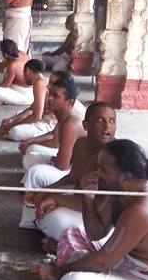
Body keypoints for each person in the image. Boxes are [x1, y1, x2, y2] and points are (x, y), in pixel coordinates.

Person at [34, 139, 148, 280]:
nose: (97, 174)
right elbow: (95, 233)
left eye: (103, 170)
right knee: (74, 242)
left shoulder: (142, 210)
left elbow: (102, 262)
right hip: (124, 265)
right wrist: (88, 198)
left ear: (125, 178)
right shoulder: (121, 190)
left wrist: (54, 272)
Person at [30, 101, 117, 244]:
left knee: (56, 219)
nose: (107, 126)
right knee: (40, 201)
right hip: (80, 201)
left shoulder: (115, 157)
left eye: (112, 121)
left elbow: (98, 203)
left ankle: (65, 244)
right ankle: (60, 241)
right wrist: (45, 191)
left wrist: (56, 199)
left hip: (99, 219)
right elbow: (72, 178)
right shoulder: (81, 144)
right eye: (100, 120)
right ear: (86, 125)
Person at [20, 73, 85, 193]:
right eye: (50, 94)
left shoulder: (71, 123)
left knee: (34, 173)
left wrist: (55, 161)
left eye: (56, 96)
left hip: (77, 175)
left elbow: (62, 166)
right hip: (68, 165)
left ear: (69, 102)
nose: (49, 98)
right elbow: (55, 140)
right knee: (31, 156)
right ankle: (34, 189)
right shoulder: (64, 115)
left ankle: (32, 194)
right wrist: (31, 142)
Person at [0, 60, 51, 139]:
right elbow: (32, 108)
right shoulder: (44, 80)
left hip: (51, 123)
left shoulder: (39, 83)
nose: (23, 77)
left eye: (23, 72)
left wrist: (11, 125)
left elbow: (37, 116)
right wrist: (11, 120)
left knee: (15, 132)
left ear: (27, 71)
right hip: (45, 117)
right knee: (20, 115)